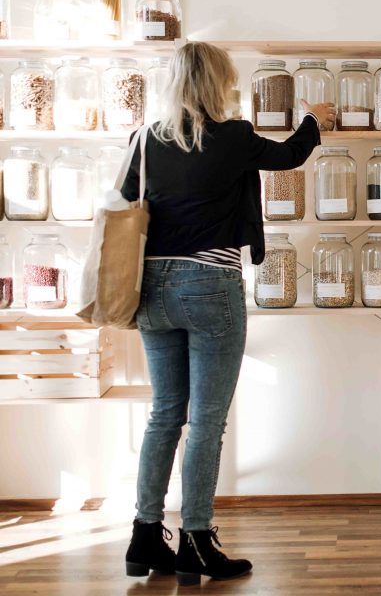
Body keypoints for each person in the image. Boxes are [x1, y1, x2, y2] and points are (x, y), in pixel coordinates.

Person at [121, 41, 335, 586]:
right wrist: (314, 120)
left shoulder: (144, 140)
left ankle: (145, 535)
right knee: (206, 422)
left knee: (165, 413)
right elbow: (289, 156)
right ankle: (196, 540)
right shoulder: (235, 136)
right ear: (219, 82)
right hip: (209, 284)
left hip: (149, 288)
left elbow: (126, 199)